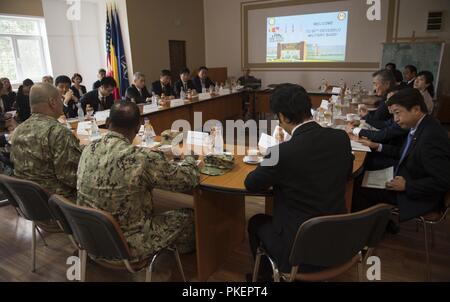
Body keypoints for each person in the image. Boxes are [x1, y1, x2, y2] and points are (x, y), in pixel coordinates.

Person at [245, 84, 354, 280]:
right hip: (338, 239)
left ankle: (264, 277)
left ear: (283, 117)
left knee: (255, 221)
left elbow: (251, 183)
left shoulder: (280, 152)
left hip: (298, 250)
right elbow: (347, 175)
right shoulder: (341, 138)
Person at [77, 102, 199, 260]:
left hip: (90, 236)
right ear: (137, 128)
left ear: (107, 123)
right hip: (127, 244)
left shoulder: (87, 149)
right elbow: (187, 180)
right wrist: (190, 158)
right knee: (188, 215)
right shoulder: (141, 158)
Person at [352, 88, 450, 222]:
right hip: (408, 173)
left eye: (397, 113)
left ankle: (372, 229)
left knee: (357, 187)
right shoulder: (420, 125)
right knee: (364, 171)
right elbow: (405, 153)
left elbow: (443, 180)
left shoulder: (431, 136)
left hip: (419, 194)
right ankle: (380, 223)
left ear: (415, 109)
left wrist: (407, 185)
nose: (395, 119)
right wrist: (378, 146)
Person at [10, 83, 82, 201]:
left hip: (29, 201)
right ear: (52, 102)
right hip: (59, 202)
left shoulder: (18, 130)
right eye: (61, 98)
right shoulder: (58, 132)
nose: (62, 102)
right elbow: (72, 178)